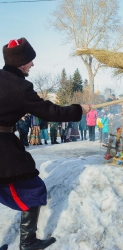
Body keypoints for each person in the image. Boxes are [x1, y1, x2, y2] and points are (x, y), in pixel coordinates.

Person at [0, 37, 90, 250]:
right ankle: (28, 242)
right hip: (3, 149)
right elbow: (50, 111)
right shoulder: (21, 87)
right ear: (21, 62)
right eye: (30, 60)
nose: (32, 64)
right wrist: (79, 109)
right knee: (33, 188)